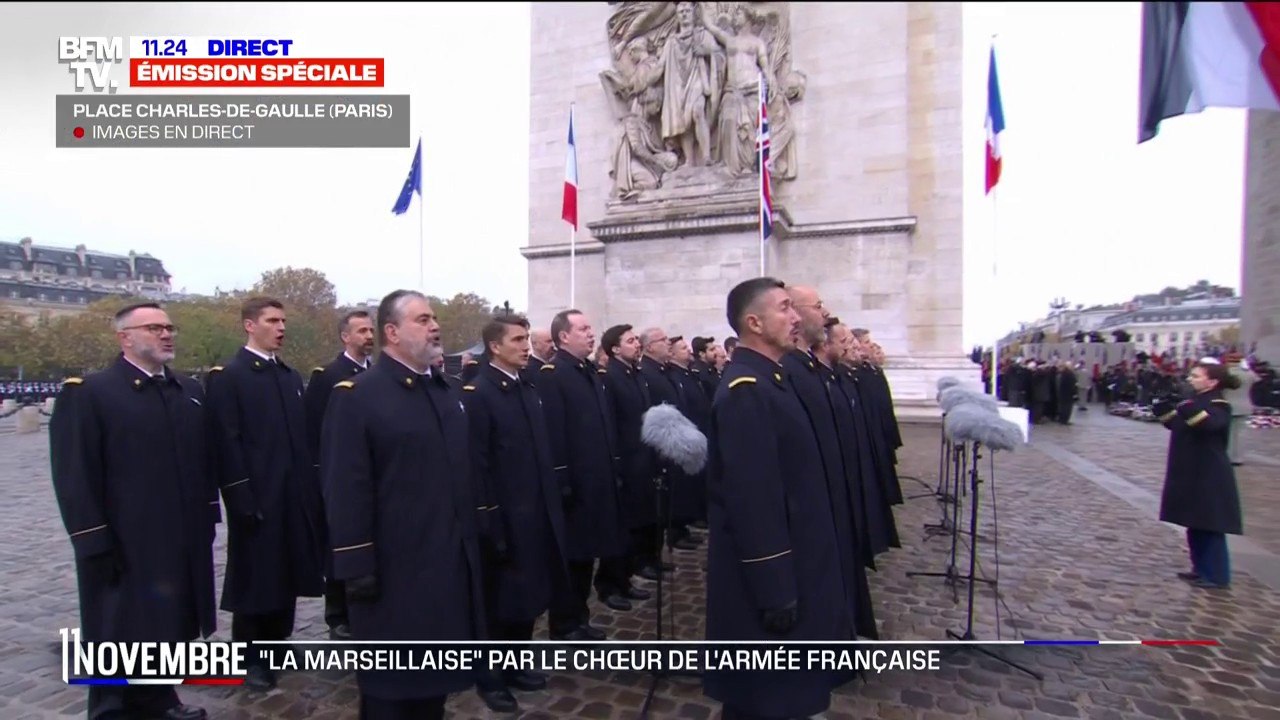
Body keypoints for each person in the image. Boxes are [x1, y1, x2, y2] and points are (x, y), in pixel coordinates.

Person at [321, 290, 485, 719]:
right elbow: (345, 487)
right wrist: (356, 568)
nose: (435, 326)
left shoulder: (445, 392)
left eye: (435, 317)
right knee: (391, 689)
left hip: (446, 562)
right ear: (391, 332)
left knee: (432, 684)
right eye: (422, 319)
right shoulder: (356, 395)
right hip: (393, 571)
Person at [50, 303, 216, 720]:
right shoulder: (90, 392)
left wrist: (207, 515)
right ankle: (109, 708)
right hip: (123, 534)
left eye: (169, 327)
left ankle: (159, 699)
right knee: (115, 625)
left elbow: (203, 461)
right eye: (154, 328)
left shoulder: (188, 390)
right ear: (125, 337)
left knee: (166, 621)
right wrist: (91, 537)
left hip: (178, 532)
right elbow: (75, 473)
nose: (167, 334)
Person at [704, 277, 851, 720]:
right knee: (765, 699)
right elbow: (753, 500)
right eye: (785, 308)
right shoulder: (747, 390)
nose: (796, 317)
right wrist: (775, 589)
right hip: (776, 577)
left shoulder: (774, 379)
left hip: (801, 560)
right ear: (754, 322)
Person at [205, 296, 325, 691]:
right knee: (257, 577)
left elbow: (301, 441)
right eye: (272, 320)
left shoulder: (289, 376)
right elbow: (226, 441)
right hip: (258, 496)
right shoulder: (230, 376)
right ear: (249, 326)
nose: (281, 327)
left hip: (293, 494)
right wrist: (241, 498)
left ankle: (277, 643)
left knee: (287, 571)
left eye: (283, 320)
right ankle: (251, 655)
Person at [462, 316, 570, 713]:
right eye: (518, 340)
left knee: (526, 596)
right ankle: (489, 676)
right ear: (495, 346)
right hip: (504, 515)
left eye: (527, 339)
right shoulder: (479, 393)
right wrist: (488, 519)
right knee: (498, 602)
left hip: (535, 511)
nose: (526, 346)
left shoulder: (527, 385)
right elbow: (477, 464)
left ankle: (516, 664)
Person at [535, 309, 630, 641]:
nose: (592, 334)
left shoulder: (589, 371)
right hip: (575, 484)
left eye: (591, 329)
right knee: (573, 558)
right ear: (564, 336)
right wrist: (563, 480)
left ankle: (580, 617)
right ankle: (564, 624)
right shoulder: (554, 374)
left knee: (588, 553)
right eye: (584, 329)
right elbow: (555, 433)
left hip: (597, 478)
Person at [303, 309, 375, 641]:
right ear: (345, 336)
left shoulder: (376, 373)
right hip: (336, 474)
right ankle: (337, 615)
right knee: (338, 546)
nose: (369, 336)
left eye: (371, 330)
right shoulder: (329, 375)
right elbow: (316, 430)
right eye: (361, 331)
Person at [1154, 361, 1244, 590]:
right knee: (1195, 523)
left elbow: (1209, 425)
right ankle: (1200, 569)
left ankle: (1216, 575)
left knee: (1210, 525)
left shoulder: (1218, 403)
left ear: (1211, 382)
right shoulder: (1198, 401)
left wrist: (1186, 406)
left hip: (1209, 473)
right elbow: (1178, 425)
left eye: (1196, 376)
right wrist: (1163, 407)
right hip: (1192, 471)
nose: (1190, 379)